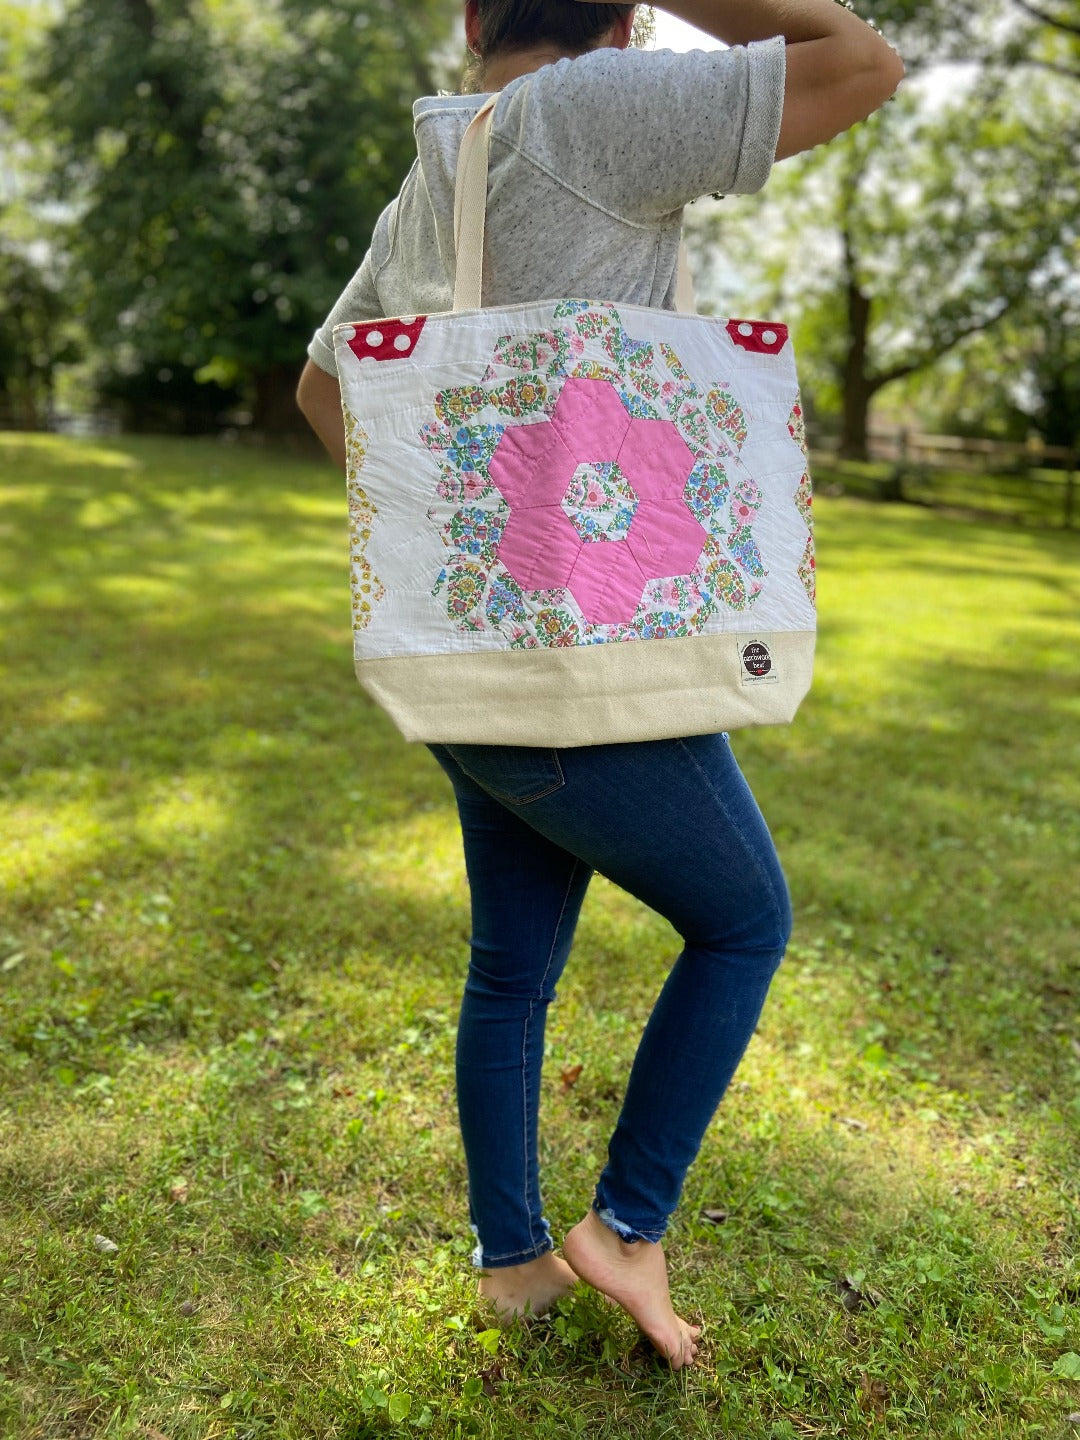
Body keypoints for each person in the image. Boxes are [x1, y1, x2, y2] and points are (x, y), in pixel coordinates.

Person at [298, 0, 903, 1370]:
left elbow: (325, 391)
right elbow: (864, 62)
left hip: (460, 670)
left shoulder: (435, 169)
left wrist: (463, 540)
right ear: (628, 17)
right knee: (746, 921)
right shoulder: (598, 104)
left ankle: (512, 1261)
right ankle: (627, 1226)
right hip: (579, 660)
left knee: (512, 966)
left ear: (466, 16)